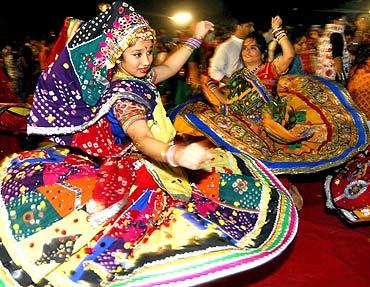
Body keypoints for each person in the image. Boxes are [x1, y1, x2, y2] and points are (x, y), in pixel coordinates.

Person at [0, 2, 297, 287]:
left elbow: (167, 67)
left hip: (157, 158)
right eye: (136, 54)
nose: (145, 61)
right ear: (117, 55)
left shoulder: (136, 76)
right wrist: (176, 153)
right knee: (147, 247)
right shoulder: (126, 96)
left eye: (148, 52)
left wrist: (195, 38)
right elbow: (142, 139)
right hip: (143, 167)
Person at [171, 16, 368, 178]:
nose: (247, 51)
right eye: (245, 48)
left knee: (262, 166)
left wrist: (278, 32)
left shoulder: (269, 70)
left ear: (263, 53)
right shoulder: (238, 77)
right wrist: (211, 87)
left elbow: (289, 56)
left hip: (265, 126)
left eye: (253, 48)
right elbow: (228, 103)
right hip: (241, 123)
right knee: (201, 117)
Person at [208, 17, 254, 85]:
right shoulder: (226, 46)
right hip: (231, 92)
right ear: (239, 27)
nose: (252, 29)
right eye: (249, 26)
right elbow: (214, 71)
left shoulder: (252, 45)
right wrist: (234, 84)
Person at [315, 15, 351, 85]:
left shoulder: (326, 34)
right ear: (334, 21)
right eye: (342, 20)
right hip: (333, 74)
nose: (345, 22)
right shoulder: (336, 35)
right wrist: (342, 78)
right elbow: (337, 57)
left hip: (323, 73)